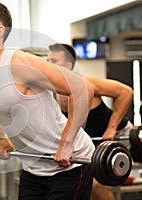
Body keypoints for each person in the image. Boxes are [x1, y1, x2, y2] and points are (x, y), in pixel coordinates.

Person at [0, 1, 95, 199]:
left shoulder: (20, 63)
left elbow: (83, 89)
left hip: (70, 164)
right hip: (33, 168)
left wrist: (67, 143)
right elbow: (0, 104)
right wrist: (0, 138)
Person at [47, 43, 134, 200]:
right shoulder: (52, 92)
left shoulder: (86, 84)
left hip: (117, 135)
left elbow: (125, 92)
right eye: (47, 60)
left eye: (53, 61)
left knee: (95, 184)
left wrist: (112, 128)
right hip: (91, 142)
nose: (47, 64)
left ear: (67, 65)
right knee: (81, 183)